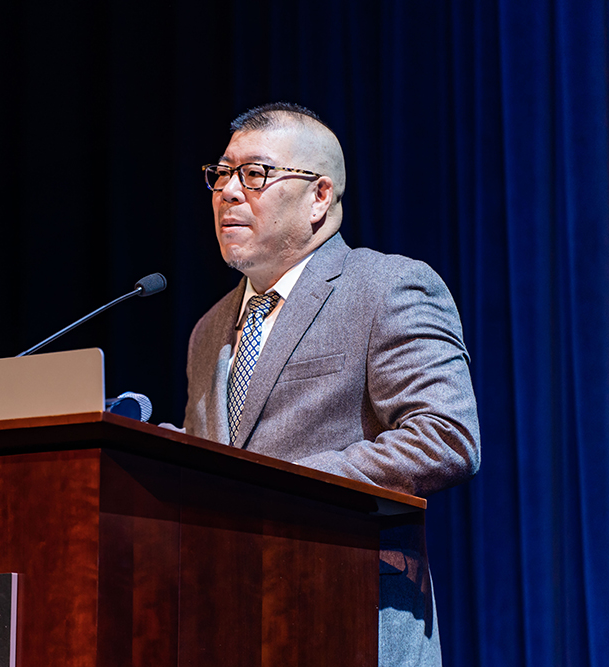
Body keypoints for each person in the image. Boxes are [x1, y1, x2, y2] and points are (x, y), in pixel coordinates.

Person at [182, 102, 480, 666]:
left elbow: (446, 437)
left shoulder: (386, 287)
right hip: (226, 622)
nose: (227, 191)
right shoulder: (209, 329)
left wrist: (287, 485)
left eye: (255, 173)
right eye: (221, 174)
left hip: (350, 615)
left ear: (321, 196)